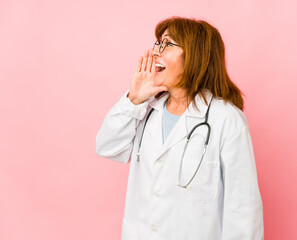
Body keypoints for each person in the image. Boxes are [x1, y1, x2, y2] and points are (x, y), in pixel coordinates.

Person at [96, 16, 264, 240]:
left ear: (195, 55)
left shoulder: (226, 120)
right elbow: (107, 147)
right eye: (158, 43)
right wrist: (134, 99)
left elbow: (243, 210)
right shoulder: (145, 109)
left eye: (167, 44)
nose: (156, 51)